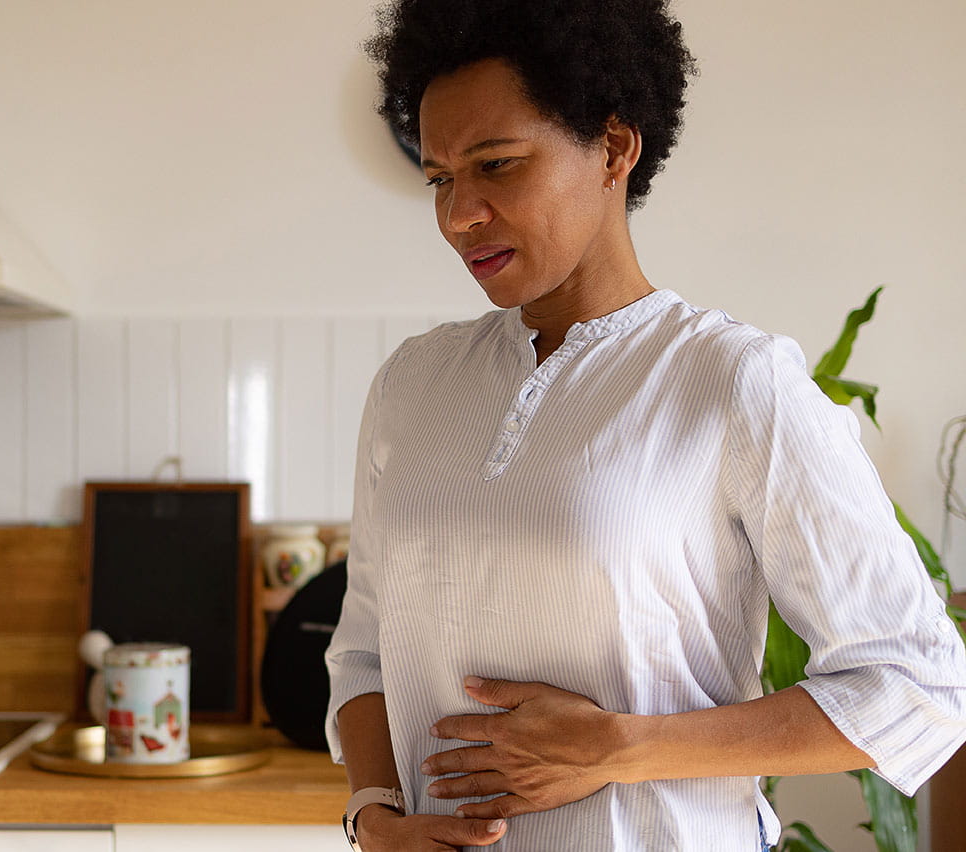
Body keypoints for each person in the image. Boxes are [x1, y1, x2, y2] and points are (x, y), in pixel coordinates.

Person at [323, 0, 966, 849]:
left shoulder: (735, 381)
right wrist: (373, 816)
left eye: (499, 165)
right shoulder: (412, 384)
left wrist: (620, 747)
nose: (458, 215)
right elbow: (364, 652)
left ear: (615, 149)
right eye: (442, 178)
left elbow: (916, 684)